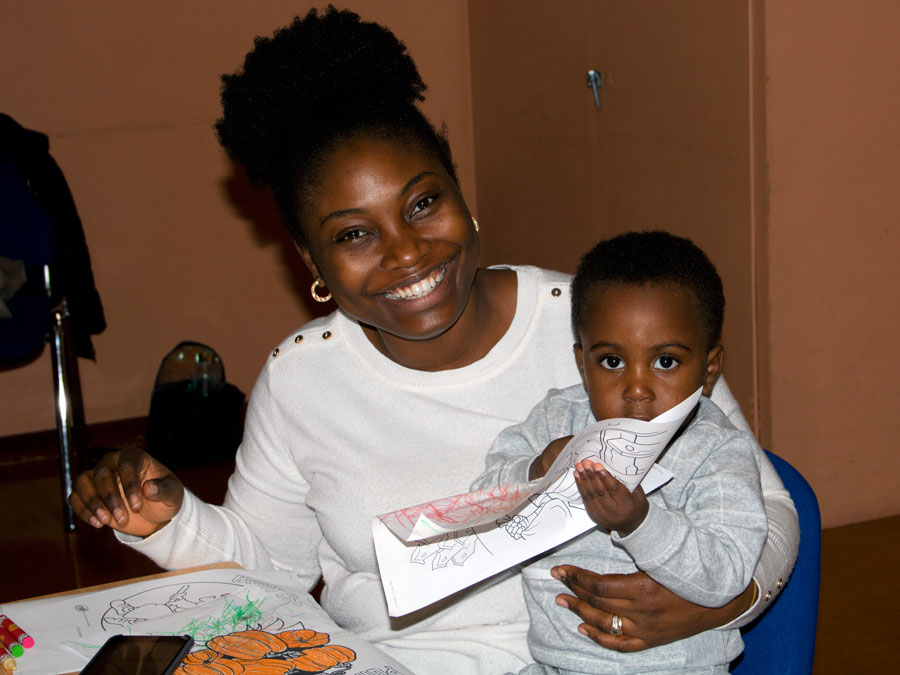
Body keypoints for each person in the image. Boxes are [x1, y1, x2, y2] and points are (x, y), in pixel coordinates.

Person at [67, 7, 798, 674]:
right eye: (354, 234)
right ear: (309, 261)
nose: (407, 252)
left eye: (423, 203)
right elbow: (273, 571)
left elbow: (770, 507)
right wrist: (169, 520)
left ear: (461, 194)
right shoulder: (301, 382)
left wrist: (720, 604)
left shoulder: (608, 324)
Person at [473, 231, 769, 674]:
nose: (635, 389)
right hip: (556, 663)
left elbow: (726, 575)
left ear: (708, 372)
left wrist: (639, 523)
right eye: (611, 361)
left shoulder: (716, 452)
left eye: (665, 361)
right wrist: (535, 470)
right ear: (582, 363)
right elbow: (480, 505)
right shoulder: (557, 419)